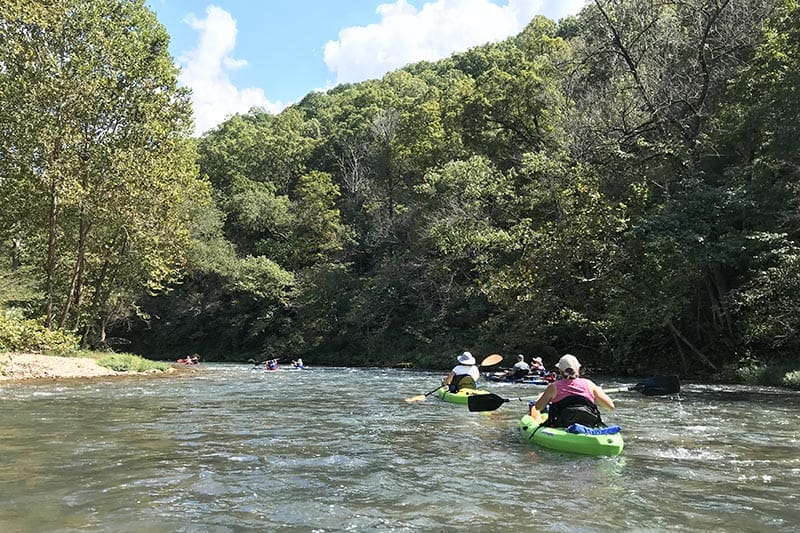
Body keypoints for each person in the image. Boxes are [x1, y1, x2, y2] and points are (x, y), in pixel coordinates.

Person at [529, 354, 615, 428]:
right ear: (577, 369)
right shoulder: (590, 384)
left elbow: (538, 407)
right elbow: (610, 406)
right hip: (587, 423)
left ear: (560, 371)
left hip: (561, 424)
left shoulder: (553, 387)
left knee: (536, 408)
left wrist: (542, 396)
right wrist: (598, 393)